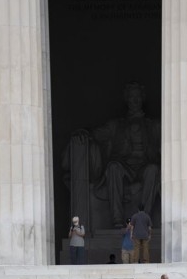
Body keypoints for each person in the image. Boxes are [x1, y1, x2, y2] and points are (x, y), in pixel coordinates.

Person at [62, 81, 161, 228]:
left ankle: (142, 219)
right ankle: (117, 219)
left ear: (142, 99)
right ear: (127, 99)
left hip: (144, 166)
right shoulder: (116, 125)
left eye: (138, 97)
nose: (135, 100)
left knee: (153, 169)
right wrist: (83, 132)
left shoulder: (153, 126)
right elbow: (96, 134)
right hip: (124, 166)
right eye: (132, 97)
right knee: (113, 167)